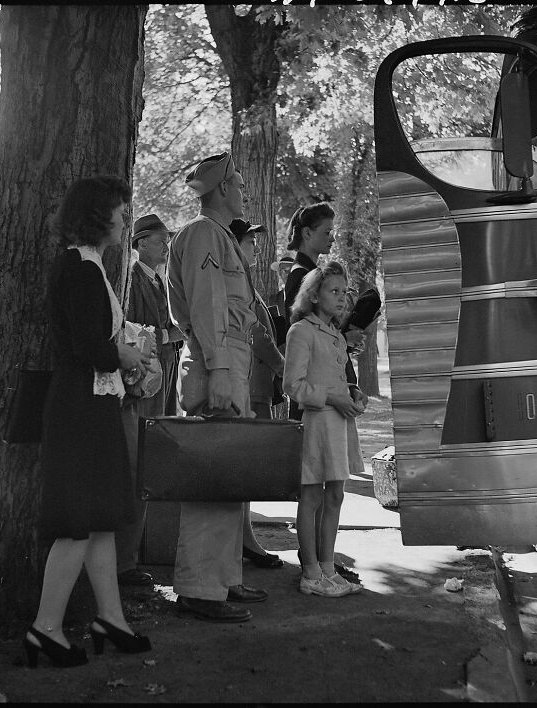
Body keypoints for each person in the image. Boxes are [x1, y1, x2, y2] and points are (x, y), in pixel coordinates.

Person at [25, 176, 153, 668]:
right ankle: (45, 629)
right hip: (79, 407)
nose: (125, 216)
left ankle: (111, 620)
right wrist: (126, 354)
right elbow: (86, 348)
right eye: (120, 209)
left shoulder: (88, 265)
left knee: (99, 522)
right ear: (99, 214)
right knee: (78, 524)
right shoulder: (80, 269)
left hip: (90, 405)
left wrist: (121, 352)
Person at [167, 151, 268, 623]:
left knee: (228, 477)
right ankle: (199, 588)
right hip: (216, 368)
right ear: (223, 188)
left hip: (228, 365)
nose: (245, 189)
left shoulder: (220, 237)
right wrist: (222, 370)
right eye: (240, 183)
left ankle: (224, 579)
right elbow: (207, 308)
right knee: (211, 479)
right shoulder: (204, 234)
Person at [282, 203, 364, 582]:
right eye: (334, 291)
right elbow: (294, 385)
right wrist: (332, 398)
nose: (342, 299)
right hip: (315, 423)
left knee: (336, 496)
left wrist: (353, 393)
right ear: (314, 294)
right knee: (312, 496)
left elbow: (336, 377)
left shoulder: (333, 333)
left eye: (345, 293)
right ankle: (311, 571)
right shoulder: (301, 331)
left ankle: (328, 567)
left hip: (338, 425)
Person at [114, 213, 184, 587]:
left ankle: (136, 554)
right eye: (159, 241)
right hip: (140, 385)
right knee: (134, 464)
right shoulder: (132, 277)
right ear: (140, 243)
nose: (165, 247)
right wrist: (173, 333)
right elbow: (134, 330)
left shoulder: (160, 279)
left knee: (149, 464)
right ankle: (124, 561)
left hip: (162, 383)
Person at [230, 218, 285, 570]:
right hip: (250, 388)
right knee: (244, 471)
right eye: (249, 240)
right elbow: (255, 333)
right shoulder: (238, 281)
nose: (256, 246)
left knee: (247, 470)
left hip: (256, 387)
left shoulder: (245, 279)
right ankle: (244, 541)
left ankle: (245, 538)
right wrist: (281, 363)